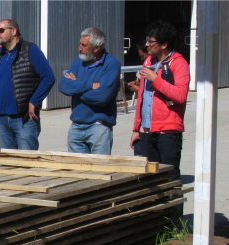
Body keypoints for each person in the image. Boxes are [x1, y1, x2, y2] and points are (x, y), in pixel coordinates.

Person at [0, 19, 55, 150]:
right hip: (1, 118)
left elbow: (48, 77)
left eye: (1, 30)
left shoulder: (30, 50)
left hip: (24, 118)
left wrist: (34, 102)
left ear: (14, 31)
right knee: (8, 165)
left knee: (26, 163)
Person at [129, 20, 190, 184]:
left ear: (164, 44)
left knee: (170, 177)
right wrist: (137, 128)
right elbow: (142, 97)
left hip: (168, 131)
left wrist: (157, 79)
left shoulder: (179, 63)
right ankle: (156, 211)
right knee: (151, 178)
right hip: (147, 130)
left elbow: (180, 95)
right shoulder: (149, 62)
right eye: (147, 40)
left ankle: (174, 210)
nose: (147, 44)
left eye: (151, 41)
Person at [58, 28, 121, 155]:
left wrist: (76, 87)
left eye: (84, 45)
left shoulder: (112, 64)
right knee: (77, 172)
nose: (79, 48)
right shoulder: (79, 60)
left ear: (97, 48)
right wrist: (91, 85)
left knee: (99, 171)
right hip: (76, 126)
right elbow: (63, 85)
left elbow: (102, 98)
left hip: (98, 128)